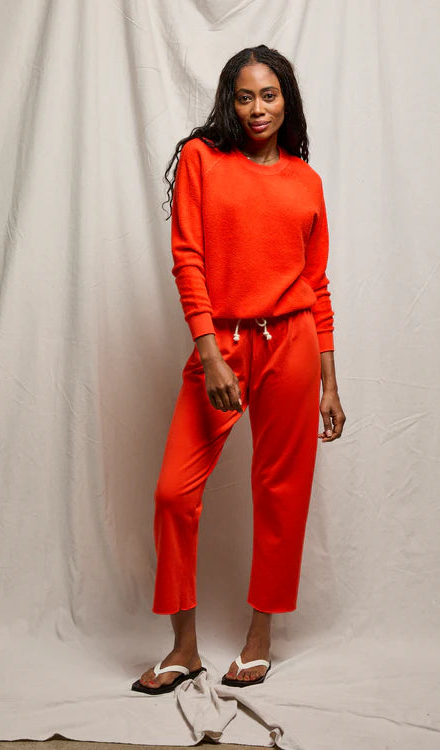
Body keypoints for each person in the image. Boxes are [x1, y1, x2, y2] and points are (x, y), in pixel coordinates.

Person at [131, 44, 346, 696]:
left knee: (281, 493)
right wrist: (207, 351)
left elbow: (317, 284)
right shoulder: (202, 159)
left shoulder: (305, 181)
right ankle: (183, 648)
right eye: (245, 96)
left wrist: (330, 381)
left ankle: (260, 638)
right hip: (221, 345)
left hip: (293, 344)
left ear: (286, 101)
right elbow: (188, 258)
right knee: (173, 493)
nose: (257, 108)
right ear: (230, 100)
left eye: (269, 95)